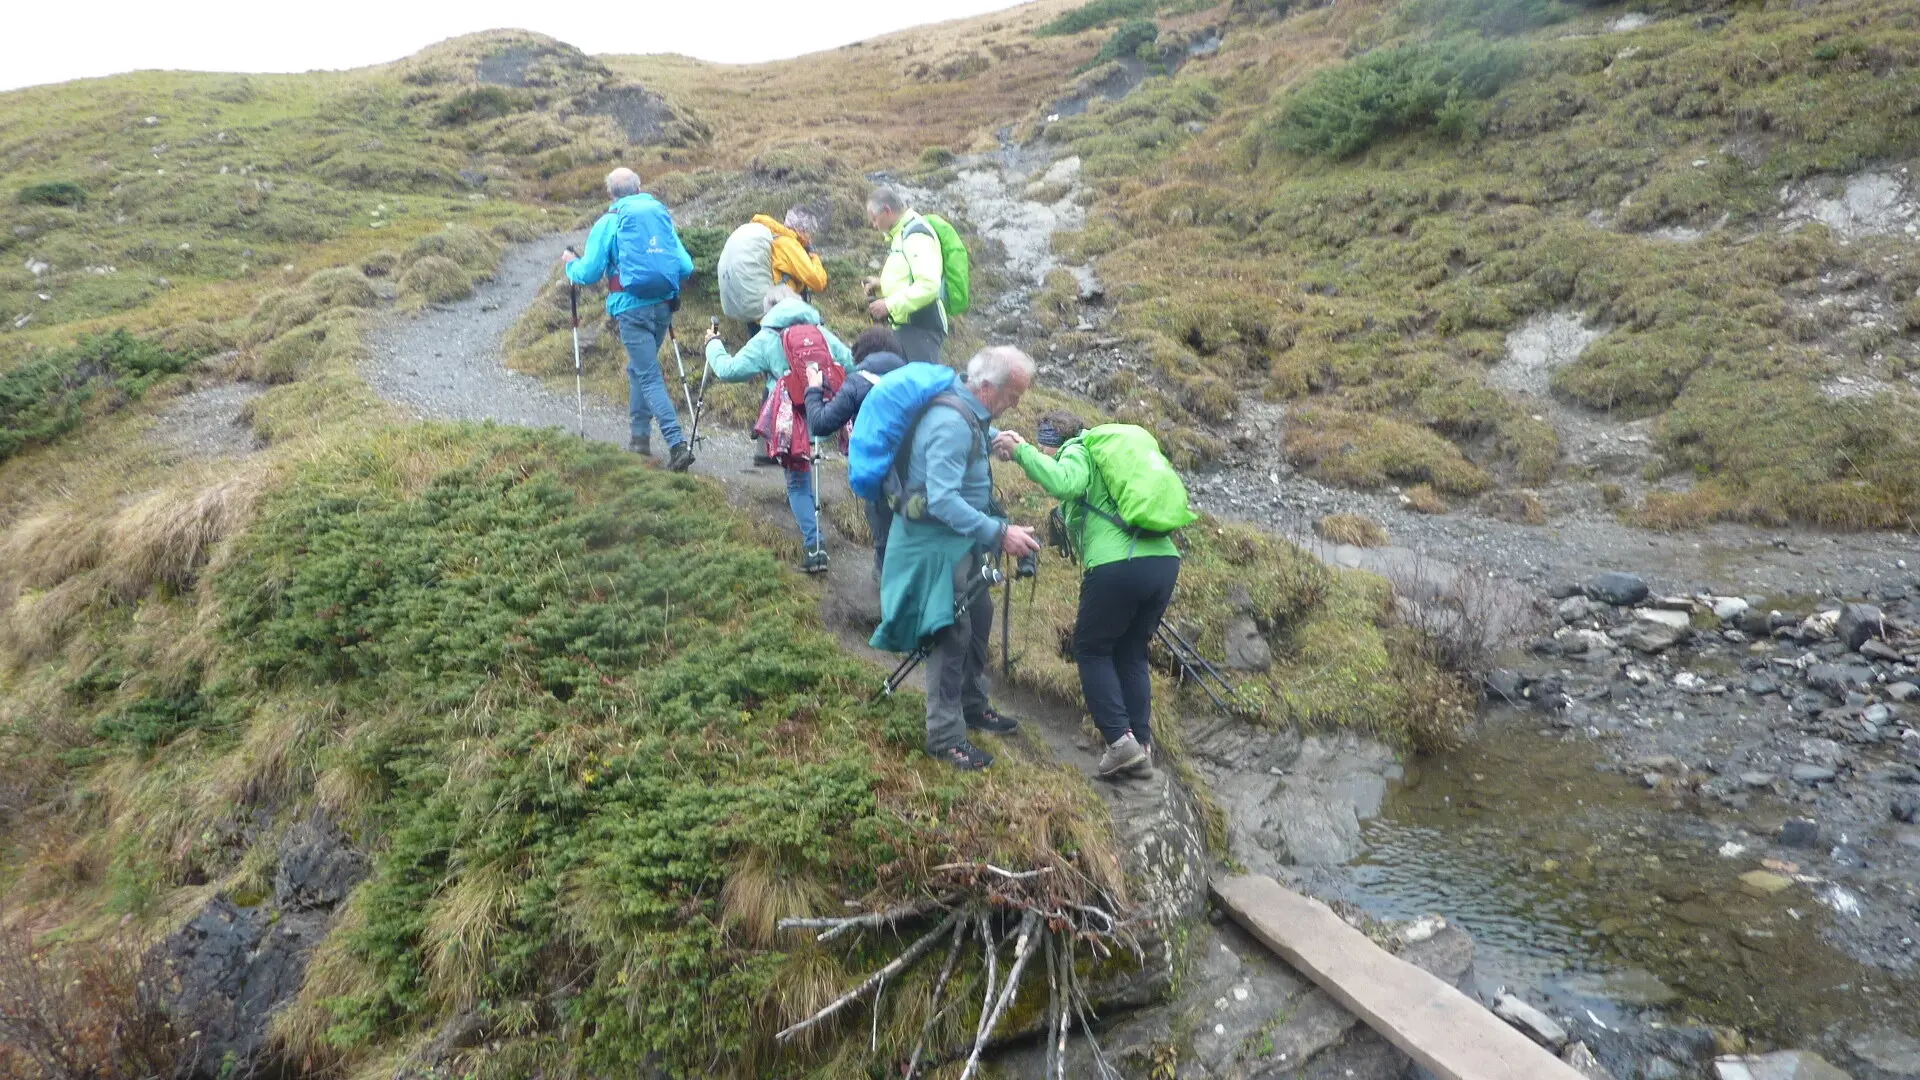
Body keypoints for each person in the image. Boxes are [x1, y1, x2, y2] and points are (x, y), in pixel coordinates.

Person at [871, 346, 1043, 771]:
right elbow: (944, 500)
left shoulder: (968, 416)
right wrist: (1001, 533)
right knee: (950, 632)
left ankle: (972, 703)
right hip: (933, 545)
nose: (1016, 404)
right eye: (1013, 396)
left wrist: (990, 442)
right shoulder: (951, 424)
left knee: (978, 614)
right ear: (986, 388)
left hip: (957, 543)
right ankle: (945, 737)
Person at [994, 411, 1181, 780]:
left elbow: (1064, 483)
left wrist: (1022, 452)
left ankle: (1118, 742)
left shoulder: (1077, 450)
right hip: (1164, 562)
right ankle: (1140, 744)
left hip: (1118, 564)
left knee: (1091, 648)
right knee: (1131, 650)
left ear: (1052, 440)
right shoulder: (1110, 455)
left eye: (1045, 447)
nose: (1047, 456)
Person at [704, 285, 853, 573]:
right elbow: (849, 361)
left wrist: (713, 344)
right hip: (824, 413)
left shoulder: (767, 336)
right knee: (807, 475)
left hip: (790, 419)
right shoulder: (819, 331)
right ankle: (811, 522)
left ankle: (815, 546)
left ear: (769, 309)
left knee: (797, 483)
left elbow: (728, 370)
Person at [564, 167, 696, 471]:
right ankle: (639, 440)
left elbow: (589, 273)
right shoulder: (659, 219)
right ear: (639, 189)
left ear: (610, 194)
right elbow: (686, 266)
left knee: (648, 374)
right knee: (640, 369)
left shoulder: (608, 223)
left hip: (630, 310)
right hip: (663, 307)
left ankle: (677, 445)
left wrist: (570, 265)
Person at [806, 326, 906, 572]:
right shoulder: (913, 377)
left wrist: (814, 389)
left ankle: (886, 592)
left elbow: (821, 424)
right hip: (915, 469)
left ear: (862, 355)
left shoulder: (859, 382)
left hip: (879, 472)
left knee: (884, 535)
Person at [865, 187, 947, 364]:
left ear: (887, 211)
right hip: (908, 327)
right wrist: (881, 284)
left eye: (874, 218)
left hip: (920, 327)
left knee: (923, 388)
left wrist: (889, 304)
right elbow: (909, 275)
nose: (874, 225)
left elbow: (929, 285)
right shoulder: (901, 234)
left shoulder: (916, 235)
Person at [718, 207, 829, 337]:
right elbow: (817, 281)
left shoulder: (771, 235)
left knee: (759, 352)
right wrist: (813, 257)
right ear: (802, 230)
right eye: (810, 233)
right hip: (777, 314)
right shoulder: (787, 244)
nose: (811, 238)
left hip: (756, 313)